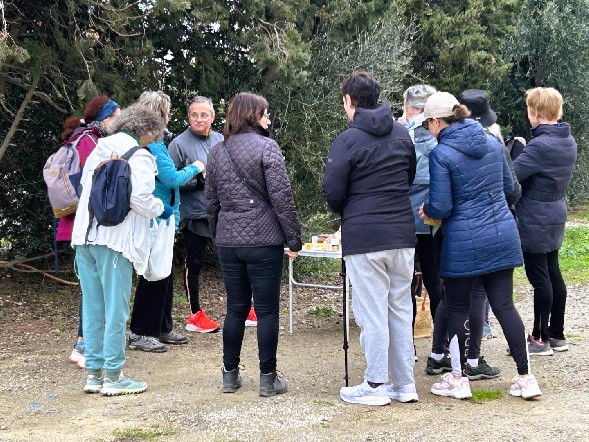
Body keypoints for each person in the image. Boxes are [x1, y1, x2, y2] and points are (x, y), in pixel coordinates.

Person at [420, 91, 542, 400]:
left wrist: (427, 211)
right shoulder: (492, 142)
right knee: (504, 306)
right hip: (501, 233)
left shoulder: (441, 154)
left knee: (457, 308)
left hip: (463, 241)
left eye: (427, 125)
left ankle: (458, 379)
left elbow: (441, 206)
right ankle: (526, 378)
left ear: (436, 121)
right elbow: (511, 189)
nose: (428, 130)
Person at [323, 71, 418, 406]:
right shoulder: (402, 134)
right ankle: (404, 384)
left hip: (365, 236)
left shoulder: (347, 141)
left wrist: (351, 207)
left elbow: (332, 191)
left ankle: (376, 384)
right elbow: (409, 177)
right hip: (402, 232)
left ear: (349, 101)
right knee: (400, 309)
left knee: (372, 312)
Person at [204, 92, 302, 397]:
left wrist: (218, 234)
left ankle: (229, 374)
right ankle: (268, 378)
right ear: (252, 115)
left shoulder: (217, 151)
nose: (268, 118)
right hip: (264, 240)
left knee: (235, 308)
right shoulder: (267, 147)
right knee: (267, 310)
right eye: (265, 113)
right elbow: (282, 199)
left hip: (229, 240)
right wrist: (294, 239)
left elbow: (210, 202)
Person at [71, 104, 173, 396]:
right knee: (116, 310)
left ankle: (94, 374)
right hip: (115, 240)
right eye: (154, 134)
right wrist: (160, 208)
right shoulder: (139, 155)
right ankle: (114, 376)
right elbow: (141, 199)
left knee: (93, 309)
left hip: (84, 237)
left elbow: (84, 189)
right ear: (146, 130)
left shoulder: (100, 147)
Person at [128, 91, 205, 353]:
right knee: (154, 275)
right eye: (167, 112)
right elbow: (171, 178)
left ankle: (162, 326)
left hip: (161, 217)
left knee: (164, 274)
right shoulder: (153, 144)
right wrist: (196, 167)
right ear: (160, 114)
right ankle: (141, 331)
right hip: (156, 218)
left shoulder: (145, 141)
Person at [513, 87, 577, 355]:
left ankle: (539, 339)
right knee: (552, 271)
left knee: (540, 277)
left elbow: (512, 174)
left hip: (535, 216)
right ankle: (557, 333)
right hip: (555, 210)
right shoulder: (567, 139)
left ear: (536, 112)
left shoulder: (540, 145)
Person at [59, 96, 121, 369]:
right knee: (94, 288)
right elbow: (95, 185)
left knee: (92, 287)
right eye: (117, 116)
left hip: (79, 222)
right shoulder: (90, 141)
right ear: (105, 118)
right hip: (86, 224)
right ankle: (84, 345)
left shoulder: (82, 137)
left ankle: (85, 343)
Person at [169, 96, 224, 333]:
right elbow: (167, 181)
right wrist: (197, 180)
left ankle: (243, 308)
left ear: (213, 117)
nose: (199, 119)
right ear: (188, 117)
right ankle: (195, 314)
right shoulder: (178, 144)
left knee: (231, 261)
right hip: (194, 214)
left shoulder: (221, 140)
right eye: (194, 115)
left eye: (204, 115)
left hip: (222, 212)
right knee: (195, 263)